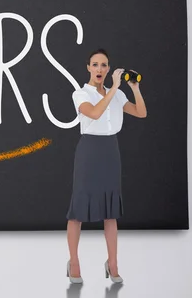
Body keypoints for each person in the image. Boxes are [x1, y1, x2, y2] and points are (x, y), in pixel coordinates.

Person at [65, 48, 147, 284]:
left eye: (103, 65)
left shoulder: (117, 95)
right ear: (88, 68)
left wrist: (134, 89)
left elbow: (141, 112)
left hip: (111, 151)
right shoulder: (81, 94)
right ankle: (74, 262)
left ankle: (113, 264)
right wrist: (113, 89)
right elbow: (95, 113)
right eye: (95, 65)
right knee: (78, 209)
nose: (99, 69)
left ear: (109, 69)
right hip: (89, 152)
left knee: (111, 212)